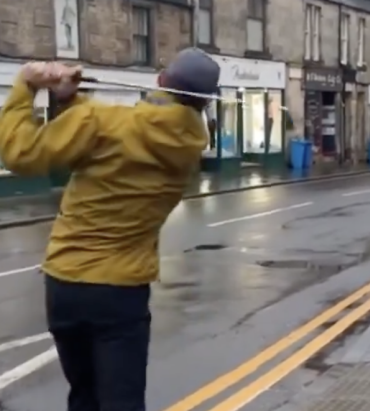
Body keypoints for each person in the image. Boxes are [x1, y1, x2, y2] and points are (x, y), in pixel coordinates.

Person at [0, 48, 220, 411]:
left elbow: (19, 153)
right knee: (122, 401)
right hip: (122, 293)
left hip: (67, 283)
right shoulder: (189, 147)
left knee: (83, 396)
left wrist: (26, 86)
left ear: (160, 80)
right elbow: (122, 139)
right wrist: (71, 99)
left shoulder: (100, 121)